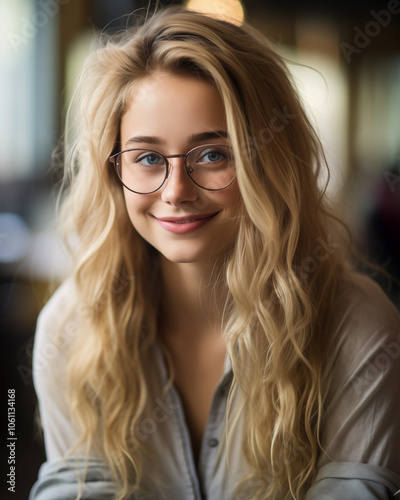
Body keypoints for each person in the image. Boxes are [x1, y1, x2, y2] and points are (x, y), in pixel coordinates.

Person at [29, 7, 400, 500]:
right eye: (146, 157)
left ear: (268, 162)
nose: (176, 191)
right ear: (112, 169)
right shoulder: (70, 329)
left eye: (212, 154)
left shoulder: (357, 325)